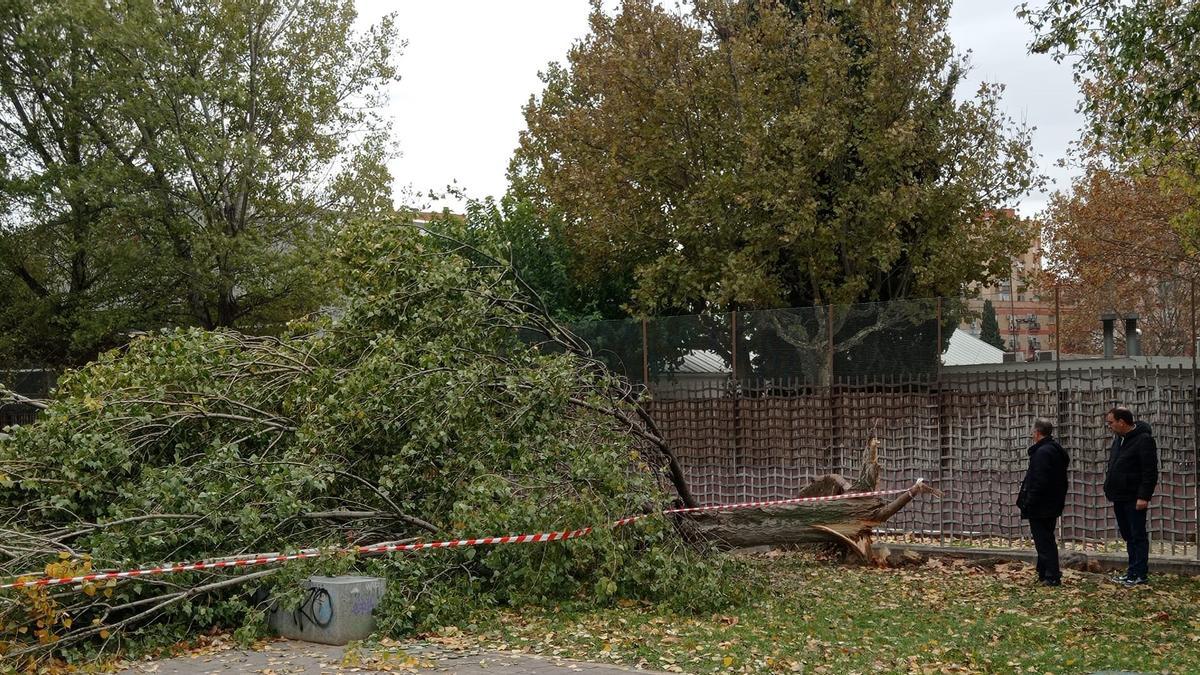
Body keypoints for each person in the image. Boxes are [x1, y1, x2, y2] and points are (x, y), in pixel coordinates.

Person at [1103, 407, 1159, 587]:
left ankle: (1140, 573)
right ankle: (1131, 571)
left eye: (1111, 422)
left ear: (1122, 422)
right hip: (1119, 495)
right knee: (1128, 535)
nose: (1109, 426)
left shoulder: (1143, 440)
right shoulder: (1119, 440)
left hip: (1134, 496)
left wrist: (1144, 496)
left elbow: (1149, 471)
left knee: (1137, 535)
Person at [1017, 417, 1070, 586]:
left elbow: (1038, 481)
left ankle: (1052, 575)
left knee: (1043, 540)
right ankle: (1044, 571)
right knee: (1045, 538)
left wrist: (1029, 501)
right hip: (1052, 502)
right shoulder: (1055, 449)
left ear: (1037, 433)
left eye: (1033, 432)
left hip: (1041, 504)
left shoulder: (1042, 452)